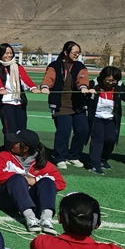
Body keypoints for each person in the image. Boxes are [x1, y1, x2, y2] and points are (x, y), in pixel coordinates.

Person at [0, 129, 66, 235]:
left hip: (28, 198)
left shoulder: (42, 163)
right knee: (17, 179)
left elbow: (60, 183)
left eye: (15, 142)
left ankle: (46, 219)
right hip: (5, 198)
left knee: (47, 181)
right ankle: (30, 217)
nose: (11, 143)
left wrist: (34, 180)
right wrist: (21, 178)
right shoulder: (4, 156)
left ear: (25, 148)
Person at [40, 41, 91, 169]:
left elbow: (82, 78)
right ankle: (60, 157)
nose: (77, 55)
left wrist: (83, 87)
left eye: (79, 53)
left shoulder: (80, 66)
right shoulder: (54, 66)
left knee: (83, 130)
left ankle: (74, 156)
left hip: (77, 104)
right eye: (75, 52)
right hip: (61, 104)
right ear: (66, 52)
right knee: (64, 131)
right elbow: (49, 78)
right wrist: (45, 87)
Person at [85, 66, 125, 175]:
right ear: (103, 77)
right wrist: (87, 92)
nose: (111, 83)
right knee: (98, 138)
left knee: (111, 139)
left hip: (110, 118)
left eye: (114, 80)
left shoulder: (119, 86)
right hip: (96, 117)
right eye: (109, 80)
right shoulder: (93, 84)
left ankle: (103, 159)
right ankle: (94, 164)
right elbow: (82, 93)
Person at [0, 43, 39, 147]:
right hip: (5, 102)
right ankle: (8, 150)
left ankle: (20, 150)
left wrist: (32, 87)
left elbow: (25, 79)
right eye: (6, 53)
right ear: (0, 54)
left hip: (19, 101)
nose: (9, 55)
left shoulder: (17, 66)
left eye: (10, 53)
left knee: (22, 129)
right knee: (10, 129)